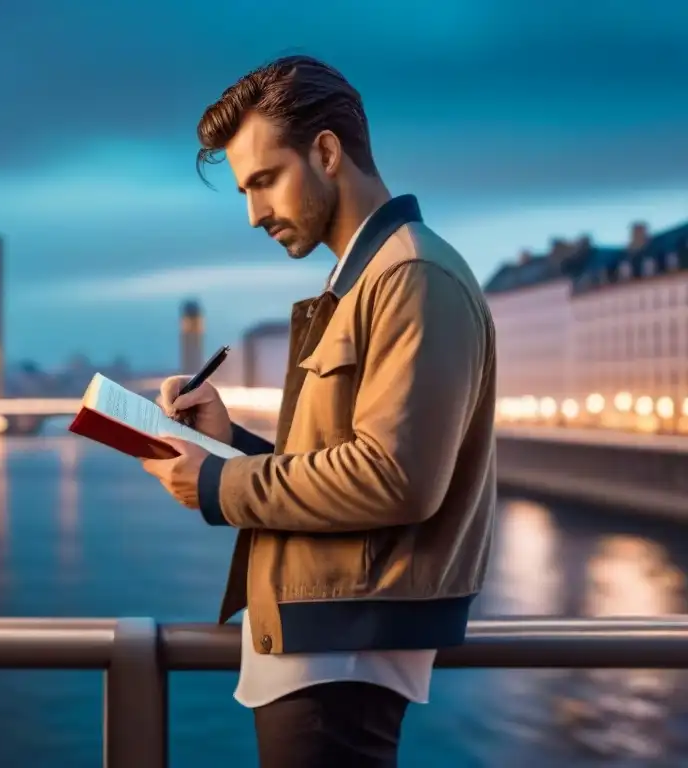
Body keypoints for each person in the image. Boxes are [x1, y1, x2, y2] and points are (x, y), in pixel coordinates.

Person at [140, 55, 497, 768]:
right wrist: (231, 443)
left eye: (264, 181)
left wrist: (215, 486)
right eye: (245, 190)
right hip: (324, 644)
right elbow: (341, 459)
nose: (253, 213)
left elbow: (397, 478)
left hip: (344, 652)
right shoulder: (370, 278)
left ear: (327, 152)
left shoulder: (412, 276)